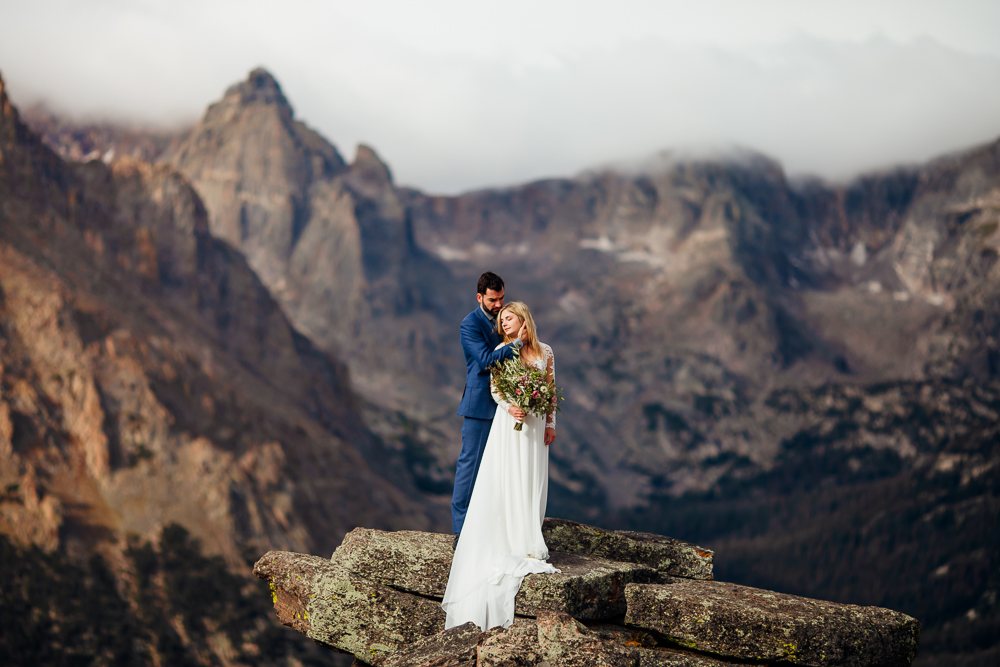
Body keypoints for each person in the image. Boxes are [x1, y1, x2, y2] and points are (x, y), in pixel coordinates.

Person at [442, 301, 559, 631]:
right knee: (510, 477)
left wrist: (550, 424)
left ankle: (529, 530)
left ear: (523, 320)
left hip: (535, 424)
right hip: (511, 425)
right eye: (502, 319)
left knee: (532, 477)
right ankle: (511, 534)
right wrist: (511, 408)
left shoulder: (546, 351)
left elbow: (549, 389)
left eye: (508, 318)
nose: (503, 323)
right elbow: (496, 389)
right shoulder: (503, 349)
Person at [452, 272, 528, 546]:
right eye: (493, 300)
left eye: (502, 299)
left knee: (502, 467)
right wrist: (518, 343)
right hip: (481, 404)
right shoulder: (469, 324)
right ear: (479, 297)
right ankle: (461, 531)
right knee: (470, 465)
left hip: (509, 404)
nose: (499, 305)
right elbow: (485, 361)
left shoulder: (506, 319)